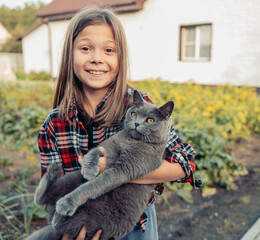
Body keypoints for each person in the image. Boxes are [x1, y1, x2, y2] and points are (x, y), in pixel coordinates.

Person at [37, 6, 198, 240]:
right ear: (69, 54)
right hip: (79, 222)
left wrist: (114, 169)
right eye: (85, 48)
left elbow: (186, 164)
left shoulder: (138, 109)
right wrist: (65, 231)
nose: (96, 58)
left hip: (132, 226)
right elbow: (51, 195)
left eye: (109, 50)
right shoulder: (54, 123)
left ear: (120, 57)